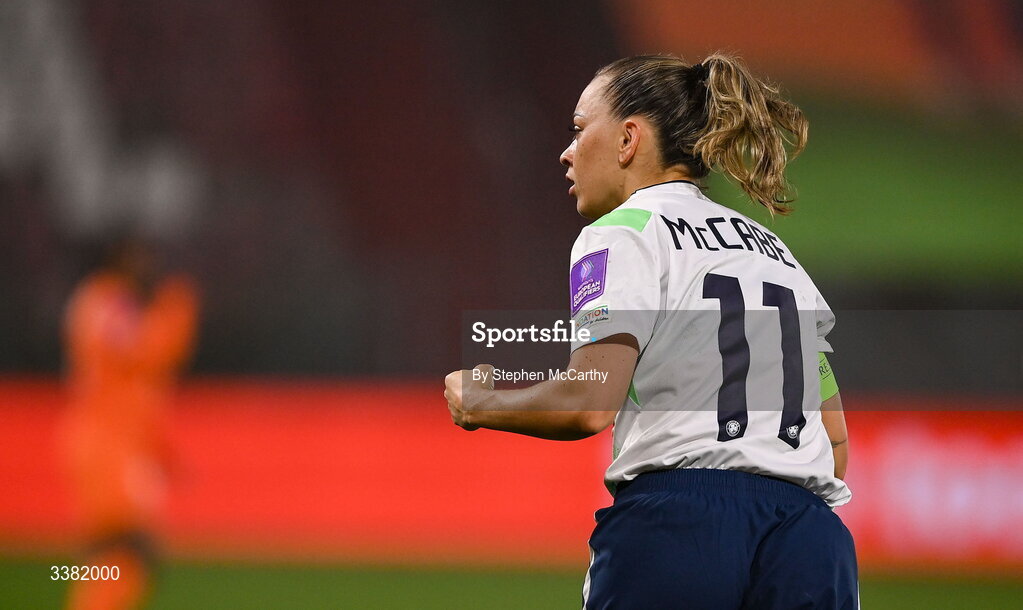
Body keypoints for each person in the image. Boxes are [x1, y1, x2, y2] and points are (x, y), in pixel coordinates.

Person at [444, 54, 856, 609]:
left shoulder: (624, 231)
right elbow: (834, 444)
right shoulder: (778, 255)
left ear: (628, 140)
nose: (567, 152)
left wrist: (482, 401)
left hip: (681, 526)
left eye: (579, 128)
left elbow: (590, 403)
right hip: (812, 539)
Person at [60, 235, 198, 610]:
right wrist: (176, 313)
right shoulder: (109, 300)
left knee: (118, 556)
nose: (147, 267)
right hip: (110, 447)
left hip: (112, 441)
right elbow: (146, 353)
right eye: (139, 257)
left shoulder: (96, 300)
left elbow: (136, 389)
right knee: (123, 550)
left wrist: (163, 453)